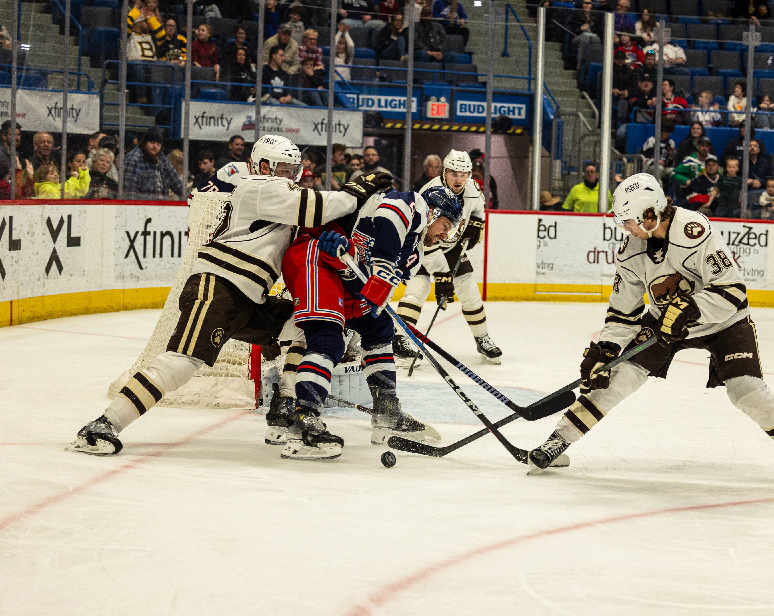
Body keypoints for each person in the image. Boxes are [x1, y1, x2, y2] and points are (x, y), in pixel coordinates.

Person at [70, 135, 390, 457]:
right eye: (283, 168)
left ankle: (285, 409)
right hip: (218, 285)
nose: (291, 177)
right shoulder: (258, 187)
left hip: (250, 297)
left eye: (294, 170)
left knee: (307, 326)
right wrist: (358, 189)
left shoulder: (277, 194)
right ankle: (104, 424)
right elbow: (323, 207)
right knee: (184, 362)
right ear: (263, 165)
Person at [526, 173, 774, 490]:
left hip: (723, 320)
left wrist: (691, 307)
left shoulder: (693, 231)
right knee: (615, 376)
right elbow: (623, 311)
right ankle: (558, 442)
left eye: (628, 221)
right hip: (664, 321)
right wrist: (606, 350)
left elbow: (734, 291)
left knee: (746, 390)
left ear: (649, 214)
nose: (624, 228)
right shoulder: (632, 250)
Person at [276, 182, 448, 458]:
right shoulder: (413, 204)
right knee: (328, 340)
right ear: (434, 212)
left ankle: (386, 412)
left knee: (379, 327)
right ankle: (303, 420)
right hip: (314, 255)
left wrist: (359, 274)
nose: (446, 234)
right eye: (446, 224)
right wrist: (379, 269)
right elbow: (390, 217)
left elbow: (366, 289)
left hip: (339, 270)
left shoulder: (414, 255)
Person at [395, 150, 504, 364]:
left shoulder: (473, 189)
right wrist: (442, 274)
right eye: (454, 173)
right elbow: (424, 236)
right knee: (417, 290)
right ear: (445, 172)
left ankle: (482, 338)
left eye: (464, 174)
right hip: (424, 246)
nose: (459, 179)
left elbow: (478, 208)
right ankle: (400, 340)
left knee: (469, 290)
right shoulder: (430, 193)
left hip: (451, 247)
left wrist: (476, 222)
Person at [122, 126, 183, 199]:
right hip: (142, 208)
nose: (155, 146)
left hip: (163, 207)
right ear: (144, 143)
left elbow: (177, 185)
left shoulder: (162, 157)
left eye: (158, 144)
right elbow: (130, 195)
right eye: (152, 142)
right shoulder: (133, 159)